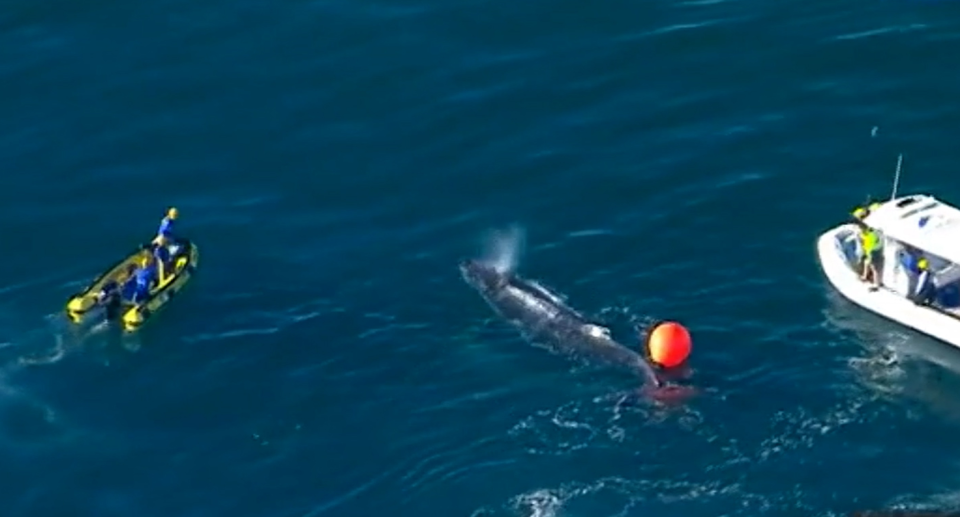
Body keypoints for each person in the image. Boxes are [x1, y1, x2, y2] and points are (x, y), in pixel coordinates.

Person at [857, 220, 881, 290]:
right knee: (866, 263)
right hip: (870, 252)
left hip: (872, 253)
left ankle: (876, 285)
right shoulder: (870, 233)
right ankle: (864, 277)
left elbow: (871, 245)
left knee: (874, 269)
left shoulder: (870, 236)